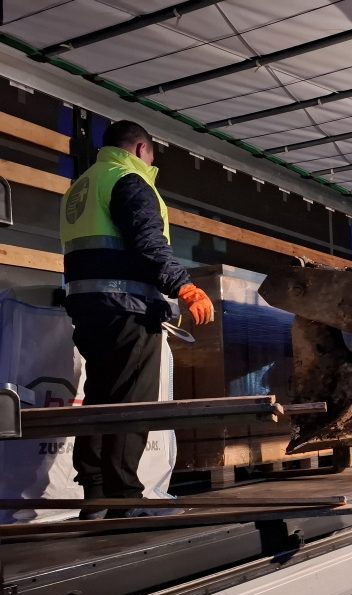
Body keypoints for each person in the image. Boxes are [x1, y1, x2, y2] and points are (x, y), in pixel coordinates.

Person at [60, 120, 215, 519]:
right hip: (128, 308)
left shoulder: (83, 184)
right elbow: (147, 242)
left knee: (101, 397)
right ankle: (125, 496)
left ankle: (95, 494)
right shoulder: (128, 180)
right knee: (133, 402)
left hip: (89, 308)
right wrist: (185, 287)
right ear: (142, 148)